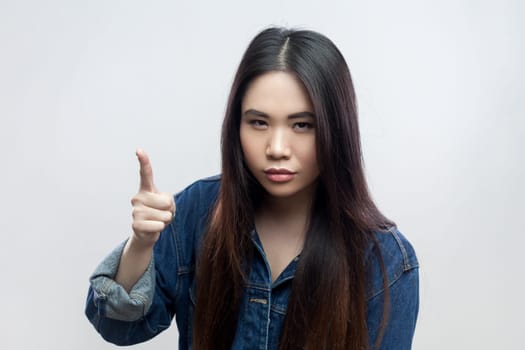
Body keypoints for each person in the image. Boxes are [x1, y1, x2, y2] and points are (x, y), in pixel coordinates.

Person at [85, 26, 419, 350]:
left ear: (336, 128)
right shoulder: (198, 211)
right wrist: (140, 245)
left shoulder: (385, 259)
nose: (276, 147)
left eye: (302, 125)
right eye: (258, 122)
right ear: (236, 125)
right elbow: (116, 327)